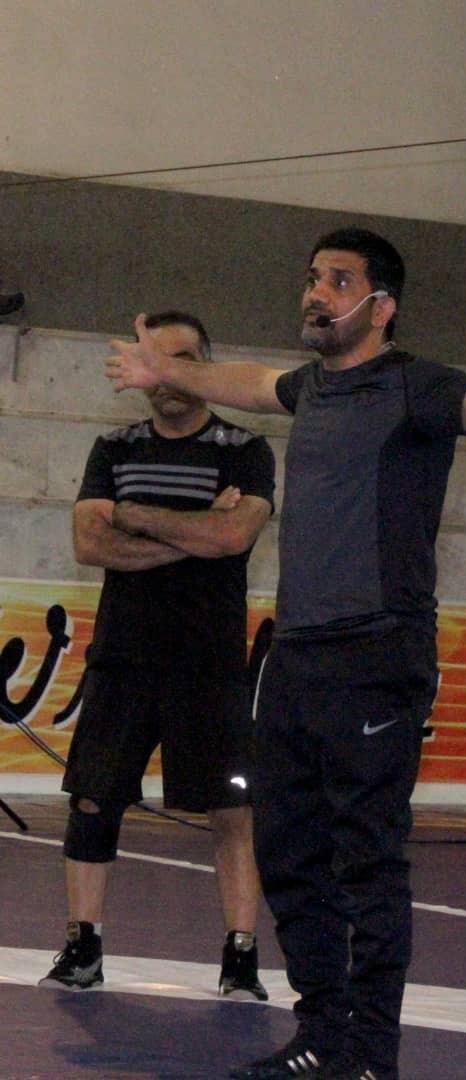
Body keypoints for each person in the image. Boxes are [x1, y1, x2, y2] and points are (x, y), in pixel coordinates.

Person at [105, 230, 466, 1080]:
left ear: (381, 306)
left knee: (367, 860)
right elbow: (246, 381)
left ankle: (372, 1053)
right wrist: (172, 372)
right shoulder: (311, 388)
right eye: (313, 277)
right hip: (296, 657)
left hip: (377, 656)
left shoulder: (417, 388)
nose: (316, 292)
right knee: (286, 851)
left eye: (338, 281)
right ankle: (323, 1034)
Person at [39, 310, 275, 1002]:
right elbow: (91, 544)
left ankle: (240, 957)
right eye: (155, 359)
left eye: (181, 359)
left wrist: (137, 515)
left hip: (209, 663)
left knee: (231, 811)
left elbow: (233, 538)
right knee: (93, 799)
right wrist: (194, 534)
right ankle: (82, 948)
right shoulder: (113, 448)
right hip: (124, 656)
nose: (166, 375)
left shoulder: (244, 449)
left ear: (206, 366)